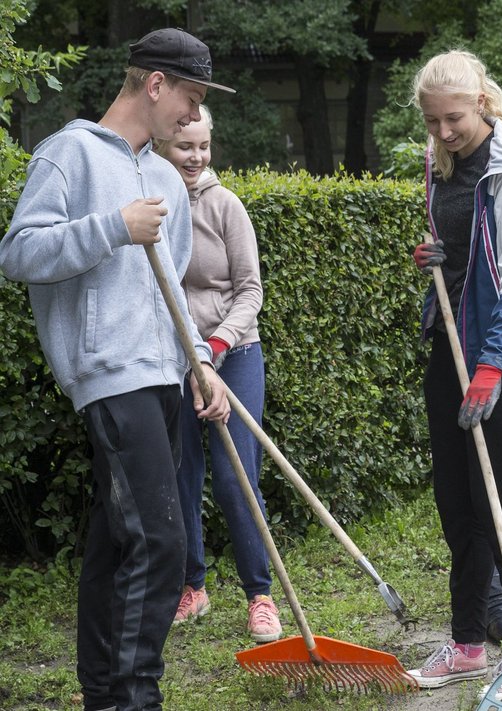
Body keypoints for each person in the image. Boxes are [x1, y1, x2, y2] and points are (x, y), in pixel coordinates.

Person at [0, 28, 234, 711]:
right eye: (190, 98)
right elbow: (18, 253)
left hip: (163, 376)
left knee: (114, 542)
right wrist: (110, 226)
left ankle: (105, 693)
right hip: (109, 376)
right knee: (161, 540)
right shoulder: (67, 154)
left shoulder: (165, 176)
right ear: (154, 83)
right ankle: (136, 700)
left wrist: (199, 362)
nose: (193, 116)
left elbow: (173, 294)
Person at [405, 50, 502, 703]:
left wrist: (492, 366)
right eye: (433, 121)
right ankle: (468, 643)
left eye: (453, 119)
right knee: (459, 500)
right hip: (451, 347)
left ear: (484, 106)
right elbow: (464, 255)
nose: (442, 132)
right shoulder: (441, 165)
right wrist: (438, 254)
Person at [155, 104, 281, 644]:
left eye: (204, 147)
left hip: (235, 354)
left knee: (235, 479)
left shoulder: (226, 206)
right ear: (163, 144)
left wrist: (216, 347)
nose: (196, 156)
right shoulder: (153, 208)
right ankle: (193, 587)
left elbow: (251, 290)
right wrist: (188, 358)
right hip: (173, 360)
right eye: (186, 146)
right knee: (181, 475)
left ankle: (261, 596)